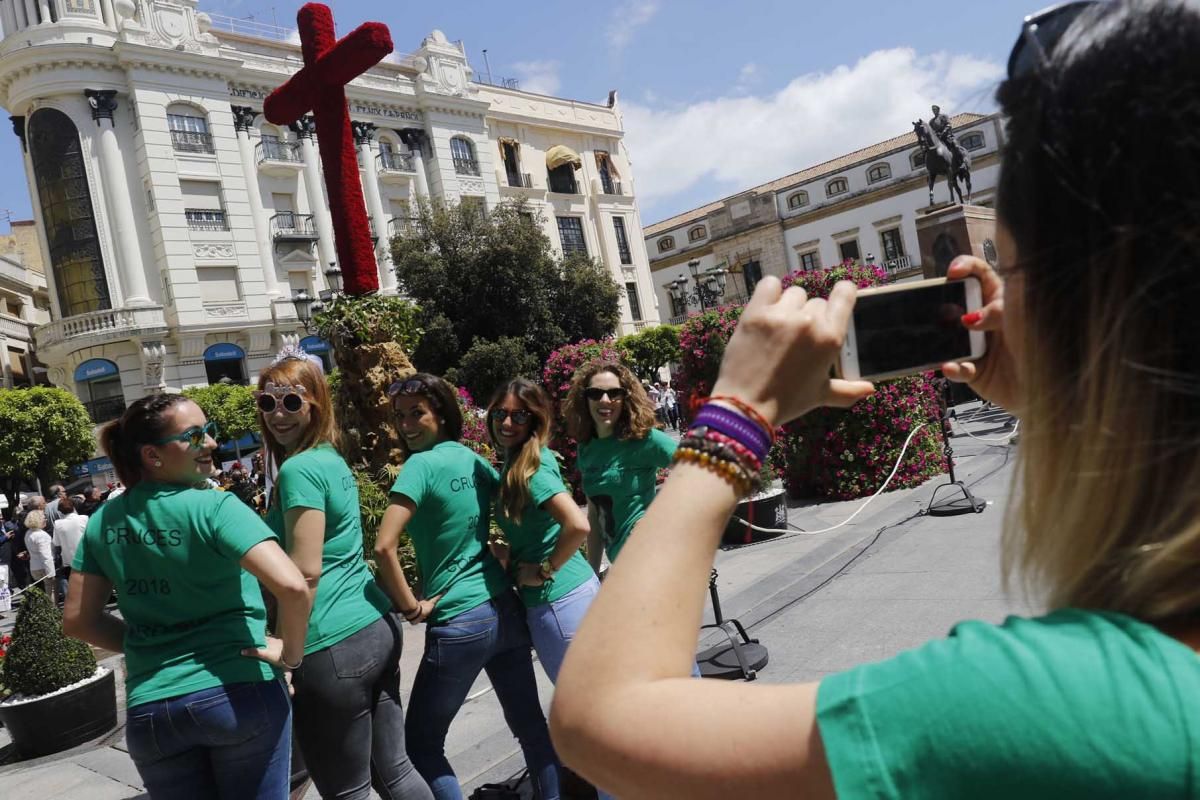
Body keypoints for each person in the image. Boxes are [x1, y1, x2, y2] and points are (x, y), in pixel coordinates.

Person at [549, 2, 1200, 797]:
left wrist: (736, 416)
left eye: (1014, 269)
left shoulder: (1053, 705)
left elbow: (601, 718)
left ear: (1088, 306)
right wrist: (1072, 390)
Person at [63, 394, 312, 800]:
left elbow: (77, 620)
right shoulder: (214, 507)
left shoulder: (104, 521)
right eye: (194, 436)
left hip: (153, 711)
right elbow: (293, 586)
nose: (210, 443)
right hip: (238, 691)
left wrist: (150, 647)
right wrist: (290, 656)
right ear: (152, 455)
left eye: (208, 431)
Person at [373, 374, 560, 800]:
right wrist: (513, 555)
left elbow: (384, 547)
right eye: (400, 415)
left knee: (420, 744)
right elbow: (515, 505)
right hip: (504, 610)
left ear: (440, 413)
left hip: (459, 621)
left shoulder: (419, 466)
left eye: (416, 413)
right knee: (531, 729)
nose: (406, 424)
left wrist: (409, 607)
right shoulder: (470, 458)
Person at [256, 355, 432, 800]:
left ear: (314, 405)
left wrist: (287, 651)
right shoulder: (327, 457)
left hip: (329, 643)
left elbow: (305, 572)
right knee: (394, 771)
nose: (278, 414)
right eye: (267, 402)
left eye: (291, 402)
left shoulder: (298, 470)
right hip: (374, 626)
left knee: (347, 791)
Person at [485, 379, 599, 682]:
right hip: (571, 595)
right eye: (500, 414)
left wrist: (544, 570)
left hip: (559, 601)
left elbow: (578, 524)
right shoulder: (519, 459)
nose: (507, 423)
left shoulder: (530, 471)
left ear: (535, 420)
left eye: (519, 416)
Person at [563, 361, 676, 573]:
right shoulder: (586, 447)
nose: (605, 400)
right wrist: (593, 572)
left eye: (614, 393)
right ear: (584, 399)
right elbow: (595, 517)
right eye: (595, 393)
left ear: (625, 398)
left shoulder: (644, 439)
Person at [51, 495, 87, 603]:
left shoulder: (58, 524)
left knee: (75, 584)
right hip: (85, 556)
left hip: (69, 559)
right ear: (73, 507)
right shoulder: (84, 518)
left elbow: (56, 542)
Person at [23, 509, 55, 603]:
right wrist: (51, 572)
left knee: (42, 593)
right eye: (43, 518)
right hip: (44, 568)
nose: (45, 520)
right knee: (51, 593)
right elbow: (46, 556)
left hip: (34, 567)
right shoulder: (41, 535)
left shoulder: (28, 533)